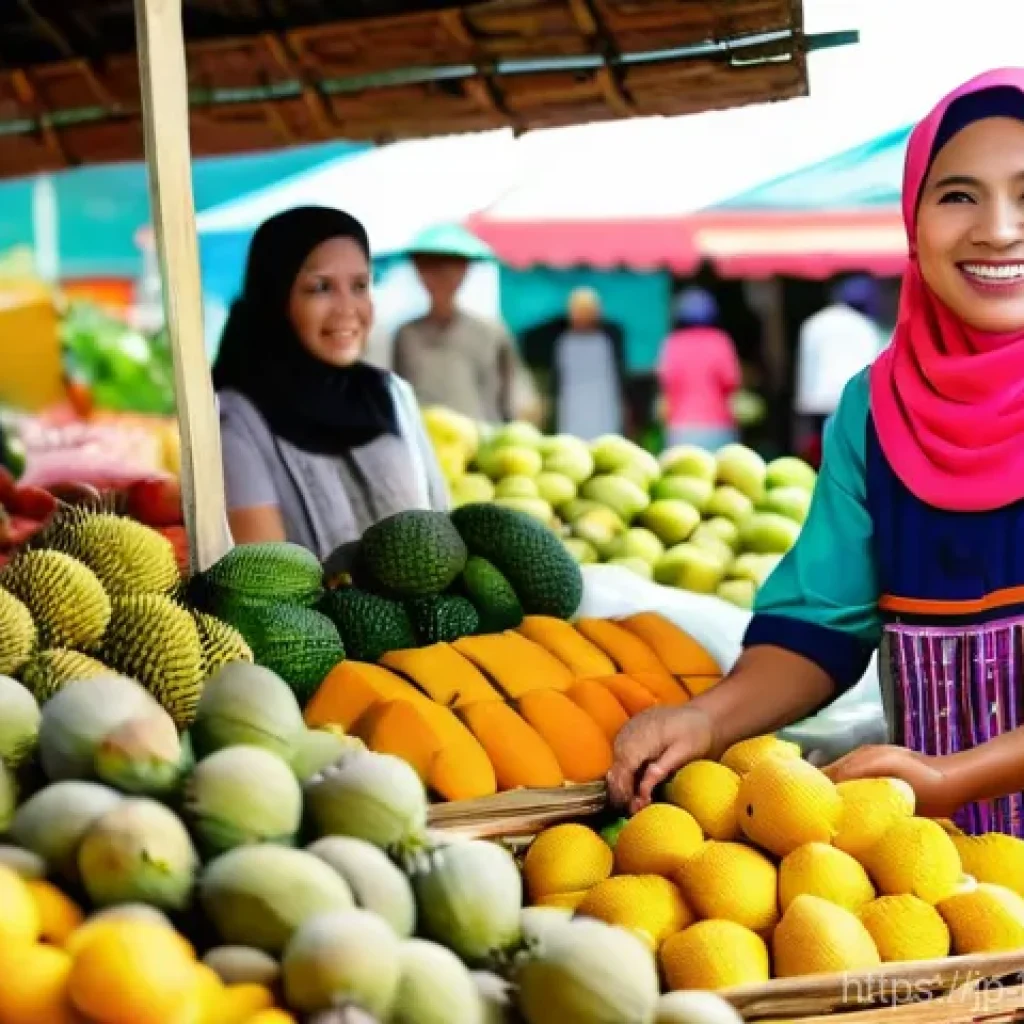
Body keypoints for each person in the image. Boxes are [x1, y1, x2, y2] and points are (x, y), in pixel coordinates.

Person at [608, 68, 1024, 838]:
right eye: (958, 195)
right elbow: (821, 627)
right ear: (913, 216)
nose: (996, 228)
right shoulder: (876, 411)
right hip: (938, 891)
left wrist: (953, 777)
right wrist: (706, 720)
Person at [213, 206, 448, 560]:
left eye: (360, 286)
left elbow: (443, 529)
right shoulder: (237, 419)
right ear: (276, 298)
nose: (347, 308)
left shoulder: (393, 395)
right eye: (321, 287)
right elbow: (267, 579)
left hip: (432, 616)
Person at [392, 224, 537, 424]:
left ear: (465, 269)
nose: (440, 275)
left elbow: (516, 393)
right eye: (429, 265)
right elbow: (396, 396)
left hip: (482, 441)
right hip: (425, 444)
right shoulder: (406, 334)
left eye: (451, 265)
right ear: (417, 269)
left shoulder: (490, 332)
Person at [793, 275, 887, 467]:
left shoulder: (815, 322)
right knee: (852, 459)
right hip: (853, 401)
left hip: (817, 403)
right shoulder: (865, 326)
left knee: (822, 459)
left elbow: (806, 366)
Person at [520, 288, 629, 439]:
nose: (581, 316)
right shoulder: (561, 340)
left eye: (586, 311)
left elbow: (619, 376)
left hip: (603, 407)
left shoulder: (608, 339)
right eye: (578, 311)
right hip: (571, 407)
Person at [656, 287, 742, 451]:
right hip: (717, 425)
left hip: (680, 427)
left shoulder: (672, 343)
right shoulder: (720, 341)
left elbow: (666, 383)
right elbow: (731, 381)